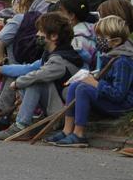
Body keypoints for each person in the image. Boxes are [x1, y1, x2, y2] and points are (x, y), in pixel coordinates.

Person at [0, 12, 84, 140]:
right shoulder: (52, 55)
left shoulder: (60, 60)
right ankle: (23, 122)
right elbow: (30, 67)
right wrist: (2, 69)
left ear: (54, 36)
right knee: (30, 78)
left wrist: (17, 83)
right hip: (56, 110)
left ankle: (21, 126)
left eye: (40, 31)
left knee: (35, 81)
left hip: (64, 115)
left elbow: (39, 75)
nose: (37, 35)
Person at [44, 16, 133, 147]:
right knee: (76, 85)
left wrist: (96, 83)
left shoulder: (123, 61)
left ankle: (79, 134)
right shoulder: (110, 55)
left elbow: (118, 94)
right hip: (112, 100)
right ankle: (67, 130)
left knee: (83, 89)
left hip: (122, 106)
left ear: (116, 41)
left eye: (102, 36)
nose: (98, 40)